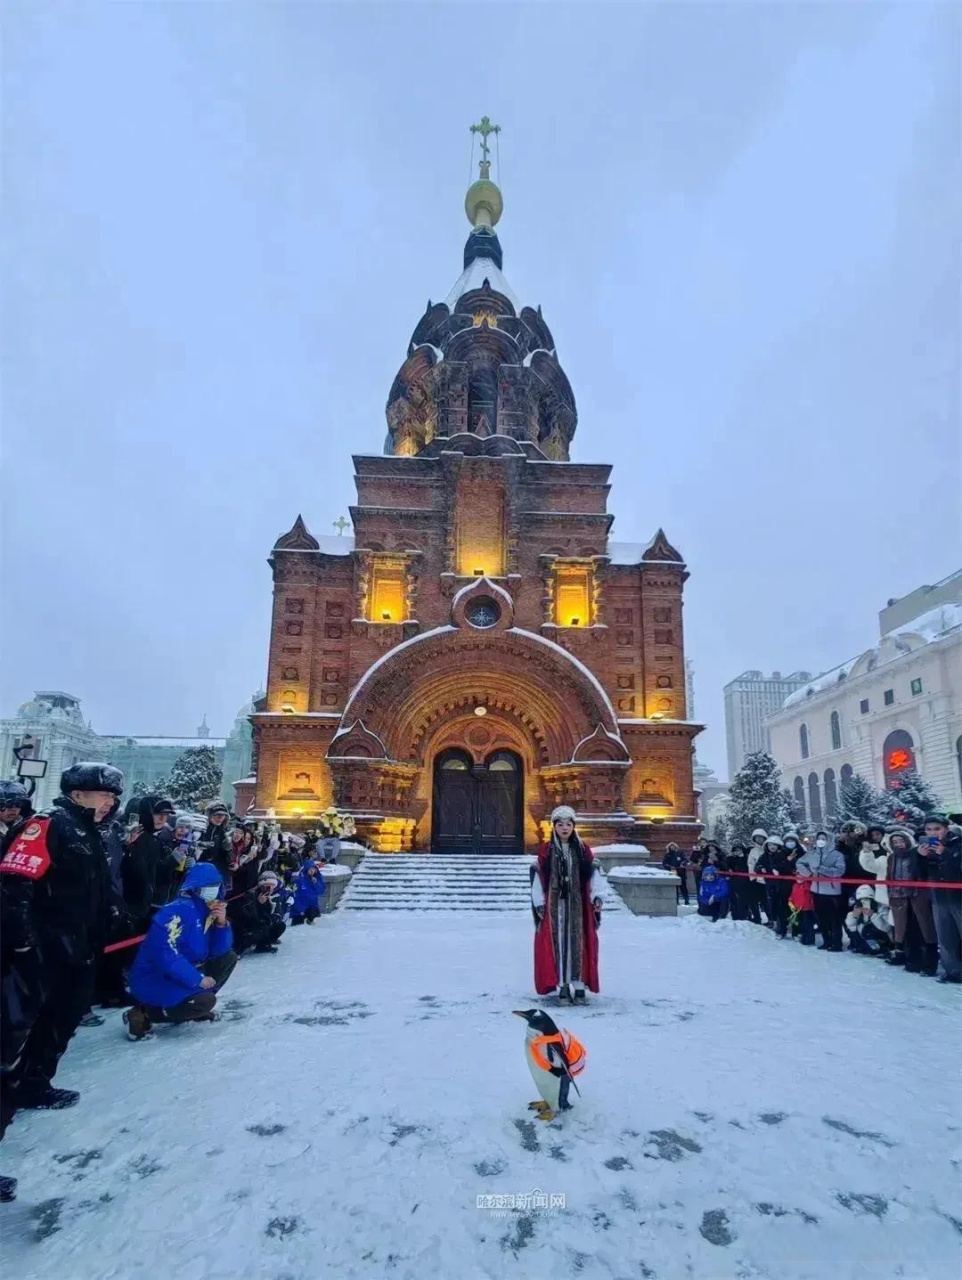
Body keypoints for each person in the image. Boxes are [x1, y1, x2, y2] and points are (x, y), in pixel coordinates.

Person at [1, 763, 122, 1137]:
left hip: (79, 950)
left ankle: (34, 1084)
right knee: (13, 1035)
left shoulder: (92, 832)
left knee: (61, 1021)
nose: (111, 803)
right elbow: (14, 885)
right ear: (77, 795)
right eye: (105, 794)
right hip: (40, 952)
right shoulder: (48, 825)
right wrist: (23, 942)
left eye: (114, 797)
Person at [124, 863, 237, 1039]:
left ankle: (192, 1006)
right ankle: (145, 1012)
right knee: (205, 1001)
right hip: (155, 976)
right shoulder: (175, 911)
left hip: (183, 971)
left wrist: (222, 925)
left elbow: (219, 951)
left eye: (215, 886)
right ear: (195, 886)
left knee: (228, 958)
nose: (212, 890)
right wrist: (197, 979)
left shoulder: (208, 909)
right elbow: (164, 954)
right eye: (208, 886)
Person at [531, 806, 604, 1004]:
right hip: (555, 906)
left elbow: (593, 873)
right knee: (558, 943)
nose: (565, 828)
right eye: (560, 824)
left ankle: (579, 985)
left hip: (578, 905)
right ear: (554, 827)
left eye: (568, 824)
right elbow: (539, 876)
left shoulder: (582, 850)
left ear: (574, 827)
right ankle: (562, 985)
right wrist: (539, 902)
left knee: (579, 941)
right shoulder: (547, 850)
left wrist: (597, 896)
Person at [881, 826, 937, 974]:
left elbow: (924, 871)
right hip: (899, 897)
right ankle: (912, 961)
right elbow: (889, 876)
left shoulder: (916, 853)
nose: (898, 844)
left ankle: (929, 964)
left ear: (908, 840)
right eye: (894, 841)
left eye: (901, 840)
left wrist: (921, 856)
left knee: (925, 929)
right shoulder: (892, 857)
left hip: (918, 896)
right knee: (906, 930)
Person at [919, 815, 962, 983]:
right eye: (929, 829)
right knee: (945, 937)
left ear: (946, 829)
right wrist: (921, 857)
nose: (933, 833)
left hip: (959, 898)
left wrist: (945, 853)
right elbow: (920, 875)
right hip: (939, 898)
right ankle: (953, 972)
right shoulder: (925, 848)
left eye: (937, 829)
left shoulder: (958, 845)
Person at [797, 830, 845, 951]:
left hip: (832, 892)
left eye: (824, 839)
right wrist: (808, 874)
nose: (821, 841)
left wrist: (820, 869)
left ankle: (837, 944)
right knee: (821, 919)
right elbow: (799, 862)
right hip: (816, 891)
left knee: (834, 920)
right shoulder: (812, 853)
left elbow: (839, 871)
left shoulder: (837, 855)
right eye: (819, 838)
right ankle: (826, 942)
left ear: (829, 840)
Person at [234, 871, 287, 954]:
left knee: (280, 925)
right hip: (251, 927)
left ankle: (267, 941)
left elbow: (277, 913)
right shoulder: (252, 896)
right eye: (266, 886)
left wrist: (275, 916)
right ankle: (254, 945)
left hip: (264, 925)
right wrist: (259, 904)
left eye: (272, 885)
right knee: (262, 926)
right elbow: (251, 917)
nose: (269, 888)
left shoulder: (275, 896)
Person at [755, 836, 793, 938]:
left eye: (774, 845)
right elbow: (757, 867)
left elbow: (788, 867)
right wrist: (761, 868)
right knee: (773, 906)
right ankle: (777, 925)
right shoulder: (764, 856)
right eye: (770, 845)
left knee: (784, 907)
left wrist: (779, 867)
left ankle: (784, 928)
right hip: (771, 886)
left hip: (784, 885)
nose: (772, 847)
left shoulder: (783, 854)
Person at [843, 885, 893, 957]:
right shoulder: (858, 907)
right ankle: (861, 946)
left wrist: (873, 916)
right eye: (862, 900)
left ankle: (880, 948)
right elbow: (851, 927)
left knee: (870, 935)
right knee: (854, 929)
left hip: (883, 937)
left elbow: (887, 928)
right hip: (867, 937)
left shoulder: (882, 908)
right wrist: (854, 916)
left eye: (866, 900)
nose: (864, 902)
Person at [197, 801, 234, 884]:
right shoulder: (200, 830)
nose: (220, 818)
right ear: (209, 815)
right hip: (198, 872)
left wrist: (227, 850)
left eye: (223, 815)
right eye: (217, 814)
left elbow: (223, 859)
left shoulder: (222, 833)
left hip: (215, 875)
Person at [725, 842, 758, 922]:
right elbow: (726, 865)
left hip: (747, 883)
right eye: (735, 850)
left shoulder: (747, 858)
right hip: (735, 883)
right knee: (735, 901)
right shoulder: (730, 858)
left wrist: (742, 858)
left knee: (749, 901)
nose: (737, 852)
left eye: (739, 850)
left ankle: (752, 917)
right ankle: (736, 916)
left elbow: (748, 867)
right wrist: (729, 868)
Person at [291, 856, 326, 925]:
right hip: (299, 910)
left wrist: (316, 884)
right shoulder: (299, 880)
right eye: (310, 869)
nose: (312, 871)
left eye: (314, 869)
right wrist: (299, 910)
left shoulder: (317, 879)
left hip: (312, 909)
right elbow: (294, 895)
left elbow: (321, 891)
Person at [697, 846, 730, 921]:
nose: (709, 877)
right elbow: (701, 895)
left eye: (711, 875)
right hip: (710, 902)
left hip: (718, 900)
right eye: (707, 876)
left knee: (724, 899)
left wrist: (715, 896)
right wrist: (706, 901)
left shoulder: (721, 881)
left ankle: (722, 915)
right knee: (702, 909)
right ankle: (710, 914)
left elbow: (725, 891)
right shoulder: (703, 884)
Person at [747, 829, 769, 924]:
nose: (759, 839)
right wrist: (752, 878)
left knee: (767, 902)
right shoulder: (753, 851)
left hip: (768, 879)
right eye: (757, 838)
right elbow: (750, 864)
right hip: (756, 880)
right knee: (754, 900)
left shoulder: (768, 849)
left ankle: (771, 918)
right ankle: (757, 918)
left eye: (761, 837)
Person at [661, 842, 689, 906]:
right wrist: (669, 867)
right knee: (674, 887)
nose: (672, 847)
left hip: (681, 871)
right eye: (671, 846)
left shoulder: (680, 853)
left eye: (673, 846)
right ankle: (676, 900)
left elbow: (685, 860)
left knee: (683, 886)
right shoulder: (667, 855)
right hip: (672, 872)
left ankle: (686, 900)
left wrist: (683, 864)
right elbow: (664, 863)